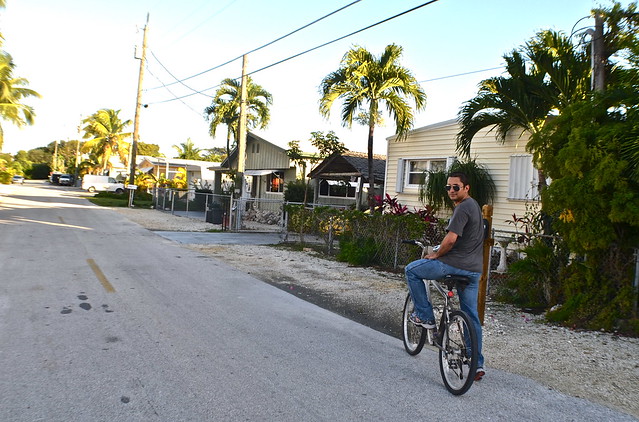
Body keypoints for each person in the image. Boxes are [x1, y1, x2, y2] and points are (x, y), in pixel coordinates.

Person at [404, 171, 486, 381]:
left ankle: (425, 316)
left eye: (455, 187)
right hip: (474, 270)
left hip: (453, 265)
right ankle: (476, 364)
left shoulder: (462, 208)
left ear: (466, 188)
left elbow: (450, 240)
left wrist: (436, 254)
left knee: (412, 270)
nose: (451, 190)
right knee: (471, 315)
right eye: (448, 187)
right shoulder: (475, 206)